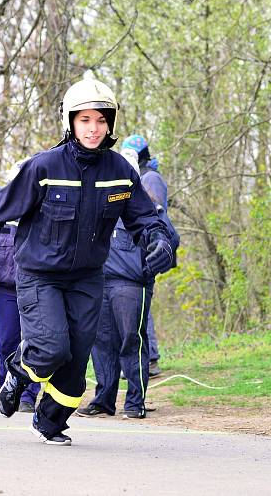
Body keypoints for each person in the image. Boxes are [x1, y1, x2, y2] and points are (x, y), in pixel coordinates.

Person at [0, 77, 174, 445]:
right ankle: (18, 371)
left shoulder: (120, 172)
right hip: (39, 274)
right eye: (85, 120)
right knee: (51, 347)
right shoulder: (43, 167)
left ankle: (50, 422)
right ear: (70, 121)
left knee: (77, 363)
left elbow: (145, 218)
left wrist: (158, 240)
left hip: (87, 277)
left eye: (100, 120)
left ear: (110, 123)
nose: (94, 128)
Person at [77, 149, 179, 420]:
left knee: (131, 341)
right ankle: (104, 399)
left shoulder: (147, 204)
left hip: (131, 284)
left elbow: (169, 238)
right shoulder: (99, 201)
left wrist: (149, 268)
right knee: (100, 343)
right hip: (98, 282)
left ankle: (135, 402)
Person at [0, 162, 41, 413]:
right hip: (5, 290)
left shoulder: (40, 211)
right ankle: (6, 391)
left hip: (36, 288)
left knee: (34, 343)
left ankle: (28, 395)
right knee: (6, 343)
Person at [120, 134, 169, 378]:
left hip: (148, 248)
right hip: (132, 250)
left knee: (141, 307)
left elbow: (153, 212)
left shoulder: (150, 178)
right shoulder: (142, 176)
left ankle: (149, 359)